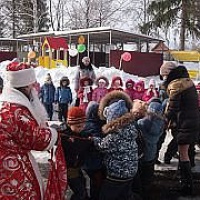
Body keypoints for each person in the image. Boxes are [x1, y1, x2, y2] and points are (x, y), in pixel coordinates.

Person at [0, 62, 59, 199]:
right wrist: (53, 133)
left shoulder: (5, 103)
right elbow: (37, 140)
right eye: (32, 85)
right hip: (11, 166)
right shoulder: (16, 110)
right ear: (26, 86)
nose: (34, 89)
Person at [160, 61, 200, 196]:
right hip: (192, 121)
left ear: (169, 74)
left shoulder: (176, 85)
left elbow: (172, 108)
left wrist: (163, 118)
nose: (164, 79)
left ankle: (187, 186)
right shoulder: (187, 81)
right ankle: (184, 181)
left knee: (183, 154)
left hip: (184, 123)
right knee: (186, 152)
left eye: (164, 75)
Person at [92, 91, 139, 200]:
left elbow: (101, 146)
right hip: (131, 171)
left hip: (117, 174)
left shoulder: (114, 135)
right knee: (125, 194)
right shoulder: (131, 128)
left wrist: (95, 139)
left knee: (106, 196)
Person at [61, 106, 92, 200]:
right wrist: (87, 141)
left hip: (76, 168)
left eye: (83, 126)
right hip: (69, 170)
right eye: (78, 126)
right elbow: (76, 148)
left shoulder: (80, 134)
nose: (81, 128)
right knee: (80, 192)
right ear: (70, 124)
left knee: (83, 185)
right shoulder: (65, 136)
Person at [137, 100, 165, 197]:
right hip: (152, 153)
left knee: (141, 173)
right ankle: (148, 189)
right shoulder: (161, 124)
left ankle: (141, 192)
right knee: (149, 173)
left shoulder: (142, 123)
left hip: (142, 154)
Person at [82, 101, 106, 200]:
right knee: (96, 184)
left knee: (89, 182)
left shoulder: (84, 125)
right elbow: (101, 145)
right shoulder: (97, 127)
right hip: (95, 163)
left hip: (85, 162)